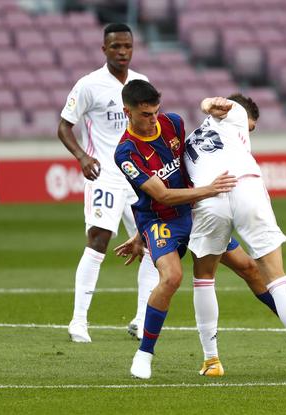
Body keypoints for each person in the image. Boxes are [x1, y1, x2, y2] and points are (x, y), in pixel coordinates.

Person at [183, 94, 286, 379]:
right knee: (277, 278)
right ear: (248, 117)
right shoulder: (237, 112)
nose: (250, 132)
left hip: (208, 196)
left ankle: (211, 361)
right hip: (245, 187)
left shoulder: (191, 140)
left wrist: (205, 106)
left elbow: (206, 109)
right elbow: (216, 104)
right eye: (253, 127)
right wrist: (209, 102)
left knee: (204, 278)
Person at [114, 79, 241, 379]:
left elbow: (188, 165)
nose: (152, 119)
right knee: (171, 278)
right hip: (160, 221)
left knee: (248, 266)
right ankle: (144, 354)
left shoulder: (173, 123)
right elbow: (162, 195)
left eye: (155, 111)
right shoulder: (126, 152)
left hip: (192, 212)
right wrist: (209, 191)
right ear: (127, 112)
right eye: (145, 114)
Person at [58, 23, 158, 342]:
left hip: (138, 177)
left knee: (155, 244)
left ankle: (142, 318)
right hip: (106, 174)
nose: (122, 52)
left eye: (127, 47)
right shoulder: (89, 85)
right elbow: (64, 126)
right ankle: (78, 321)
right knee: (98, 239)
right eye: (115, 47)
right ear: (104, 50)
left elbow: (151, 128)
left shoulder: (142, 83)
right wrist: (82, 157)